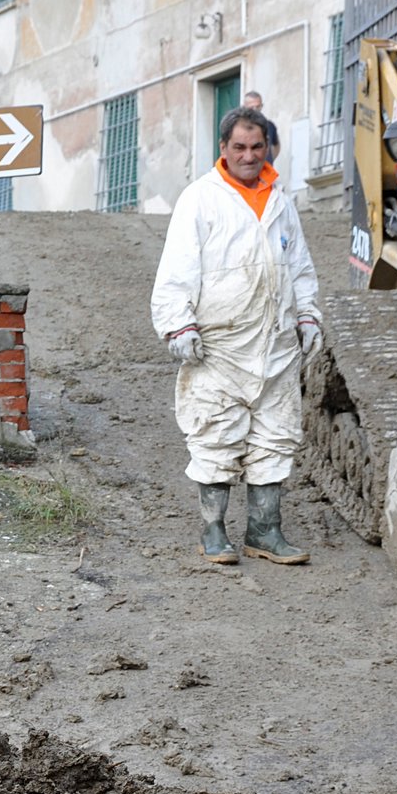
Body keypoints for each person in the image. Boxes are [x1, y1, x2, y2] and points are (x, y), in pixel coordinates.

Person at [150, 105, 323, 565]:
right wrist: (178, 325)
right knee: (215, 434)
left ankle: (265, 531)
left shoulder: (281, 201)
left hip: (277, 343)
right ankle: (214, 530)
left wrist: (307, 315)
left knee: (275, 434)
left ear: (268, 148)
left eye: (257, 147)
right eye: (239, 147)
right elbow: (175, 272)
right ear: (223, 149)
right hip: (218, 347)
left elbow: (300, 267)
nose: (249, 156)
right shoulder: (200, 199)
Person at [241, 90, 280, 163]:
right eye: (251, 108)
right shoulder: (237, 127)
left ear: (262, 106)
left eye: (258, 107)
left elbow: (276, 145)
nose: (255, 110)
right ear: (244, 107)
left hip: (265, 172)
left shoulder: (270, 126)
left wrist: (269, 161)